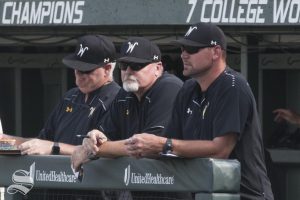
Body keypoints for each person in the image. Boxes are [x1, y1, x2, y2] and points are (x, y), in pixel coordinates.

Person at [115, 23, 273, 200]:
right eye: (182, 48)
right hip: (201, 192)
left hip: (242, 194)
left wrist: (163, 144)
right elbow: (170, 148)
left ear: (216, 52)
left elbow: (220, 150)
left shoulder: (233, 85)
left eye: (192, 49)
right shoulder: (188, 89)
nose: (183, 54)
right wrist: (103, 146)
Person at [71, 37, 189, 199]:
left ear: (158, 68)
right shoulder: (125, 93)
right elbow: (102, 138)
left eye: (137, 66)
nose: (128, 71)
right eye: (124, 66)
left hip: (173, 188)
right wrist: (91, 141)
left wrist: (93, 150)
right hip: (142, 189)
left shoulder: (169, 86)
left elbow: (147, 147)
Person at [0, 35, 120, 155]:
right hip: (55, 172)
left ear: (107, 69)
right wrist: (4, 142)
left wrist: (55, 147)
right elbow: (41, 143)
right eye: (76, 67)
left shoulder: (118, 100)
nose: (78, 74)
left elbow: (103, 152)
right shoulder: (70, 97)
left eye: (86, 70)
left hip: (90, 173)